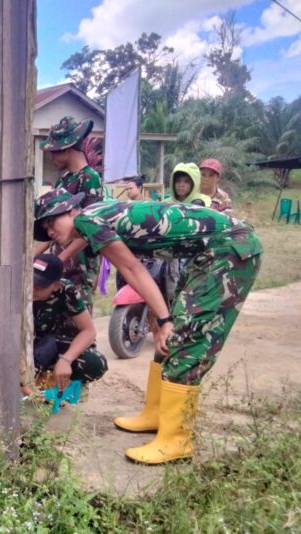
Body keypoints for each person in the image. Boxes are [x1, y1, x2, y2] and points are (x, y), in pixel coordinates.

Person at [34, 189, 262, 465]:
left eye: (52, 221)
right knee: (168, 338)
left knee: (186, 340)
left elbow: (131, 268)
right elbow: (71, 258)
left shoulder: (88, 221)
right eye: (45, 227)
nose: (49, 231)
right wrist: (158, 316)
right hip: (207, 252)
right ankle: (156, 415)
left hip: (228, 248)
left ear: (72, 210)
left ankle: (177, 440)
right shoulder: (92, 219)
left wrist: (164, 319)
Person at [37, 116, 103, 312]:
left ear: (67, 149)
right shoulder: (63, 181)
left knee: (78, 318)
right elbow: (51, 228)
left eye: (54, 152)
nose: (51, 158)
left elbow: (90, 229)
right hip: (60, 266)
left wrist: (61, 259)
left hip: (79, 268)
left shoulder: (90, 178)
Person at [31, 253, 108, 392]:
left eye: (38, 287)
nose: (31, 289)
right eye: (30, 283)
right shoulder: (16, 286)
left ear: (56, 285)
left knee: (95, 363)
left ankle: (53, 381)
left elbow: (88, 331)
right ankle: (33, 379)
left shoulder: (66, 290)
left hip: (50, 345)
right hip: (21, 347)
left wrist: (66, 359)